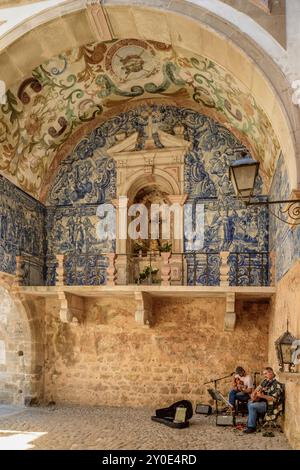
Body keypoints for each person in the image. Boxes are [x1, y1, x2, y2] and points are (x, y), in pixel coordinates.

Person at [243, 367, 283, 434]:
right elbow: (258, 388)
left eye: (266, 373)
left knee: (252, 406)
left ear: (271, 372)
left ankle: (251, 427)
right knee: (250, 402)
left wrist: (262, 396)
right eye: (264, 374)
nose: (264, 375)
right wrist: (254, 394)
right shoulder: (266, 381)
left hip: (271, 405)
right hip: (263, 401)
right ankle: (253, 421)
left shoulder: (276, 384)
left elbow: (273, 399)